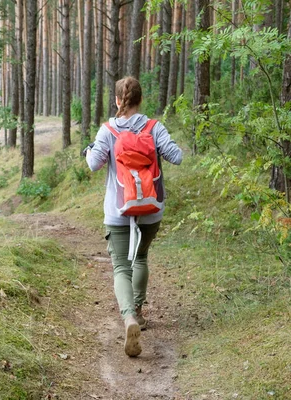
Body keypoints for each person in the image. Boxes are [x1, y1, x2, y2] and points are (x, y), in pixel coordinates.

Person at [83, 76, 182, 357]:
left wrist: (92, 148)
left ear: (117, 101)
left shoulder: (107, 131)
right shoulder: (154, 127)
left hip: (117, 211)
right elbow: (177, 157)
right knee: (140, 258)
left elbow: (93, 164)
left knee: (120, 268)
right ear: (140, 100)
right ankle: (138, 311)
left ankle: (128, 318)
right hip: (151, 207)